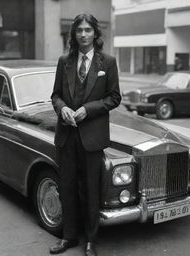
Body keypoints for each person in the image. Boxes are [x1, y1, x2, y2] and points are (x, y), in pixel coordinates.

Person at [50, 13, 121, 256]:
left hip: (93, 138)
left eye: (87, 30)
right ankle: (68, 236)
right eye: (78, 30)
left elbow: (114, 98)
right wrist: (64, 109)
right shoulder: (64, 61)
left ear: (95, 33)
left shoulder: (108, 63)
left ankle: (91, 240)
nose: (83, 34)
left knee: (92, 190)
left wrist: (86, 110)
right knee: (67, 188)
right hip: (66, 137)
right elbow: (55, 96)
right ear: (74, 34)